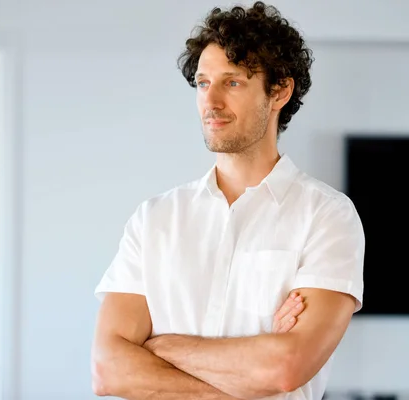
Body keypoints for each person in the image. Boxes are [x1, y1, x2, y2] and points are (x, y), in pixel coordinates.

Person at [91, 2, 365, 400]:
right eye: (203, 83)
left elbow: (286, 367)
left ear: (279, 91)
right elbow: (108, 370)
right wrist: (245, 375)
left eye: (232, 82)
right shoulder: (154, 220)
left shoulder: (327, 216)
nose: (211, 101)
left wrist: (160, 347)